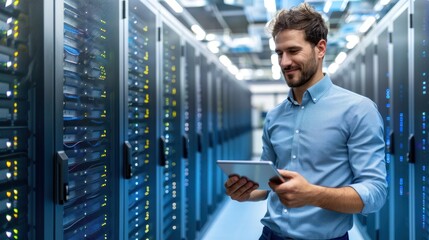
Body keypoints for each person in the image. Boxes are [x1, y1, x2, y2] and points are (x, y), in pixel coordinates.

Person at [224, 3, 387, 240]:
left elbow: (375, 192)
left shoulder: (358, 110)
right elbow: (266, 182)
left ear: (320, 48)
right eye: (279, 53)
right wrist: (245, 192)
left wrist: (313, 195)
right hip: (270, 235)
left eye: (293, 51)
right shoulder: (275, 116)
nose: (284, 62)